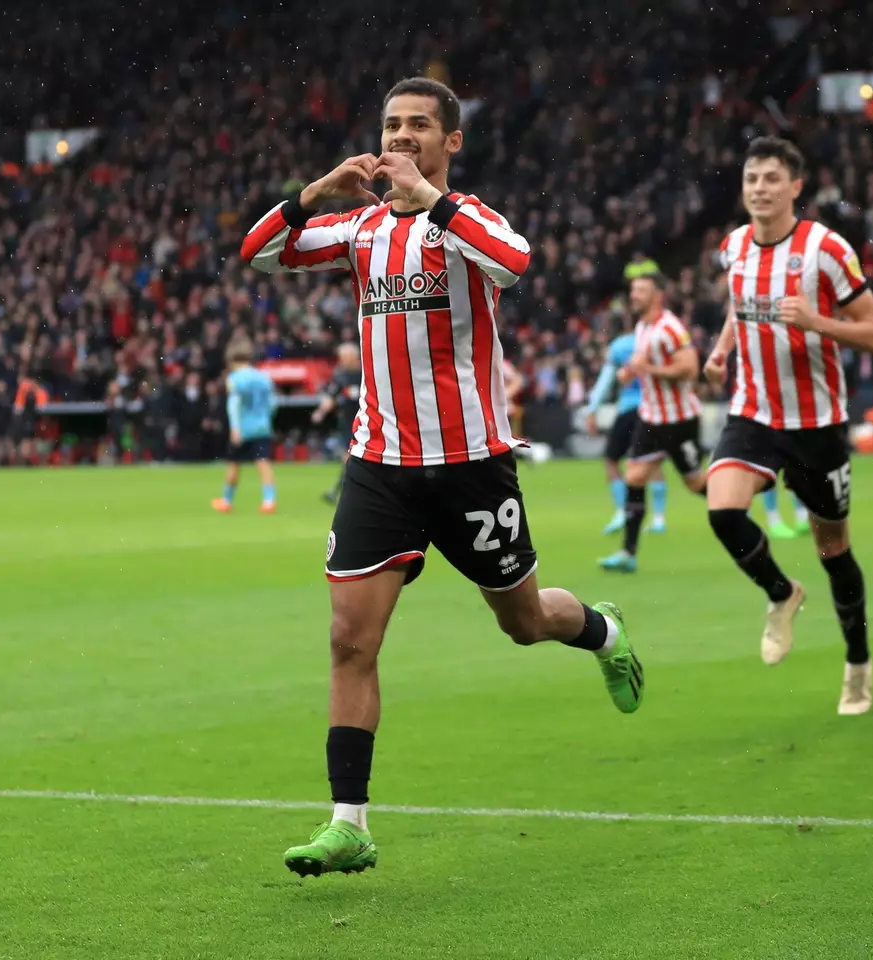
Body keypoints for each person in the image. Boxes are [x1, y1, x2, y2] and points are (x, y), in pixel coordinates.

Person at [240, 76, 643, 879]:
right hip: (380, 467)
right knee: (350, 638)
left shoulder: (467, 222)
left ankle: (600, 631)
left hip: (470, 469)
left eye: (419, 126)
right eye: (392, 125)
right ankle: (348, 823)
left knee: (524, 622)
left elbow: (515, 261)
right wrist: (315, 192)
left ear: (450, 141)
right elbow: (258, 255)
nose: (402, 137)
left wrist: (432, 200)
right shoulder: (356, 230)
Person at [701, 136, 873, 715]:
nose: (760, 188)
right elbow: (740, 303)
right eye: (752, 178)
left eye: (771, 179)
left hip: (818, 424)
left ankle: (857, 663)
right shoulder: (734, 247)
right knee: (723, 510)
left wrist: (815, 321)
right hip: (754, 411)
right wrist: (721, 347)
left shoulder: (826, 250)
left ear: (795, 187)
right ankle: (782, 594)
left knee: (834, 550)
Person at [598, 273, 705, 572]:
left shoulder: (669, 327)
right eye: (633, 289)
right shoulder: (643, 326)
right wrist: (632, 371)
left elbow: (690, 369)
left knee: (696, 483)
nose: (634, 295)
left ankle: (736, 501)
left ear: (658, 296)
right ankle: (628, 554)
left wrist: (651, 370)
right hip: (651, 416)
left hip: (679, 420)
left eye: (641, 290)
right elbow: (643, 361)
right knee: (634, 477)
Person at [584, 317, 668, 535]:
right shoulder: (655, 342)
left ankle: (622, 511)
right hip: (652, 408)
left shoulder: (619, 346)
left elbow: (606, 381)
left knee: (612, 460)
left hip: (628, 409)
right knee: (653, 461)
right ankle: (659, 518)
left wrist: (592, 409)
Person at [211, 338, 279, 514]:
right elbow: (273, 403)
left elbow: (234, 405)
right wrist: (265, 419)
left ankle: (227, 500)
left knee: (234, 464)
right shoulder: (264, 377)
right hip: (262, 427)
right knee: (263, 463)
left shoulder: (235, 379)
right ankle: (269, 501)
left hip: (242, 429)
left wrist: (235, 428)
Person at [311, 342, 363, 504]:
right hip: (348, 424)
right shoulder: (341, 376)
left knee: (352, 459)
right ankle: (344, 492)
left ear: (355, 357)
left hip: (366, 422)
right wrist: (320, 412)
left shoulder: (367, 374)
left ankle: (341, 491)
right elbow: (331, 397)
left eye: (345, 357)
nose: (342, 361)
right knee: (349, 458)